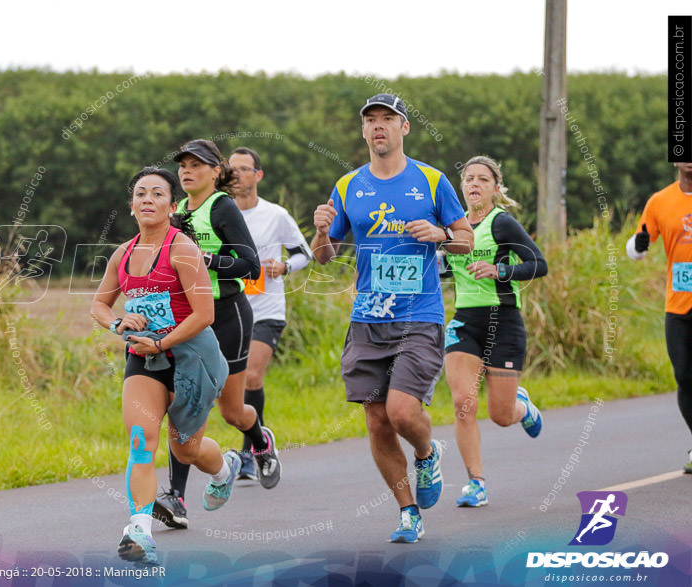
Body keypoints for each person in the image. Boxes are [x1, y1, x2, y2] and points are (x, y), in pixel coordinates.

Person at [310, 94, 474, 543]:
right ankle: (408, 513)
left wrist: (441, 234)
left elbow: (466, 240)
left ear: (405, 128)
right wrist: (323, 230)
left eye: (388, 119)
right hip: (367, 319)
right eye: (371, 120)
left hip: (418, 315)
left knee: (403, 412)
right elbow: (323, 258)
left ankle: (426, 451)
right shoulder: (347, 187)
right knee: (377, 420)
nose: (378, 126)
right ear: (363, 131)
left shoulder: (432, 180)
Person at [91, 167, 240, 565]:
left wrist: (162, 339)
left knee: (186, 449)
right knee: (141, 441)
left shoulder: (183, 250)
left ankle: (225, 469)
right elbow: (99, 305)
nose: (147, 200)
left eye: (157, 194)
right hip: (144, 360)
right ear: (131, 206)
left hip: (194, 360)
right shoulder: (122, 254)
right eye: (140, 193)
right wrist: (118, 324)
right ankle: (139, 530)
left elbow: (204, 313)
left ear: (172, 206)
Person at [153, 139, 281, 529]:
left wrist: (203, 258)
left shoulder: (221, 207)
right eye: (182, 165)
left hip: (227, 317)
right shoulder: (174, 212)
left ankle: (259, 441)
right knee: (186, 404)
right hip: (187, 319)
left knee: (231, 411)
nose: (187, 171)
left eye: (196, 165)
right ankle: (175, 497)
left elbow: (249, 264)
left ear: (215, 171)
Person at [443, 155, 548, 508]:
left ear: (495, 188)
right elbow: (448, 268)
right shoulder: (451, 227)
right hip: (464, 323)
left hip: (503, 322)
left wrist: (500, 270)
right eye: (468, 178)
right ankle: (476, 483)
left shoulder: (501, 224)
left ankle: (522, 406)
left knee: (501, 416)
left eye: (482, 180)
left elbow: (538, 264)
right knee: (462, 403)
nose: (474, 184)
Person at [229, 146, 312, 479]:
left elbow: (304, 252)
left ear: (258, 175)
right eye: (230, 170)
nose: (235, 175)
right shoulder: (220, 214)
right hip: (232, 310)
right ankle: (260, 439)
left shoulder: (275, 215)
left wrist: (285, 266)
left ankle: (251, 452)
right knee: (229, 388)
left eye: (243, 169)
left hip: (267, 309)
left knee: (251, 376)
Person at [626, 161, 692, 474]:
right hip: (679, 306)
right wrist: (636, 246)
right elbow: (638, 248)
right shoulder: (660, 201)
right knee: (685, 378)